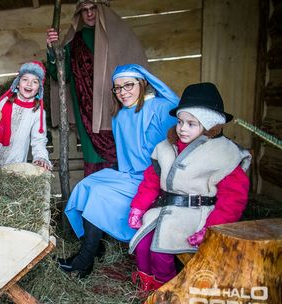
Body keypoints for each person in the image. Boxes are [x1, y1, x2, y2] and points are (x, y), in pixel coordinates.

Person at [127, 82, 251, 291]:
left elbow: (233, 198)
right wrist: (138, 207)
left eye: (191, 123)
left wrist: (211, 229)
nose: (182, 128)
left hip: (197, 215)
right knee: (142, 244)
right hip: (165, 210)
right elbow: (150, 181)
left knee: (161, 251)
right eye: (180, 122)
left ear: (209, 125)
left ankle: (168, 291)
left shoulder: (225, 153)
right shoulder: (166, 148)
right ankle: (147, 287)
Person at [58, 64, 179, 278]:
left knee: (99, 195)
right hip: (129, 174)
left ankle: (84, 260)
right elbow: (127, 155)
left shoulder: (161, 108)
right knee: (86, 185)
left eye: (128, 85)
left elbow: (179, 141)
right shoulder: (120, 115)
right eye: (117, 88)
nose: (123, 92)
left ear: (142, 84)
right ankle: (94, 246)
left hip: (152, 179)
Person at [46, 0, 148, 176]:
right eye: (84, 10)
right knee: (94, 162)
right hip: (86, 111)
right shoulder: (74, 42)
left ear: (101, 9)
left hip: (116, 108)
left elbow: (136, 71)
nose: (89, 13)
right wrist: (51, 49)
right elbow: (61, 74)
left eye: (93, 8)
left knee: (125, 156)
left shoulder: (119, 35)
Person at [0, 61, 52, 170]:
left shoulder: (38, 112)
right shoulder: (4, 102)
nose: (29, 84)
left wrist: (41, 157)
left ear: (39, 88)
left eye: (35, 82)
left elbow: (39, 139)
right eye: (25, 80)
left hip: (15, 162)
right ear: (17, 84)